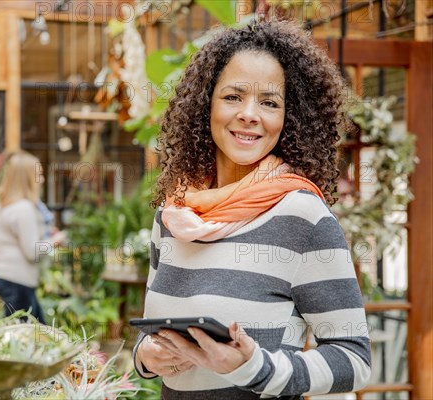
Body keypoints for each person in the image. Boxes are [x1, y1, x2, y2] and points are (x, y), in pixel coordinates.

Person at [133, 20, 371, 399]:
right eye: (233, 96)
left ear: (288, 118)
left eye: (269, 102)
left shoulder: (302, 218)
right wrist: (145, 356)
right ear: (204, 104)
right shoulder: (174, 214)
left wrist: (253, 366)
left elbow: (354, 359)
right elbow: (152, 334)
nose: (249, 114)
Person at [0, 151, 48, 323]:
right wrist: (54, 242)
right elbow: (32, 252)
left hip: (5, 276)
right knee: (25, 335)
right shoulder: (24, 209)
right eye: (39, 175)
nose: (42, 180)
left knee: (36, 330)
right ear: (27, 178)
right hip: (18, 279)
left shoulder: (3, 205)